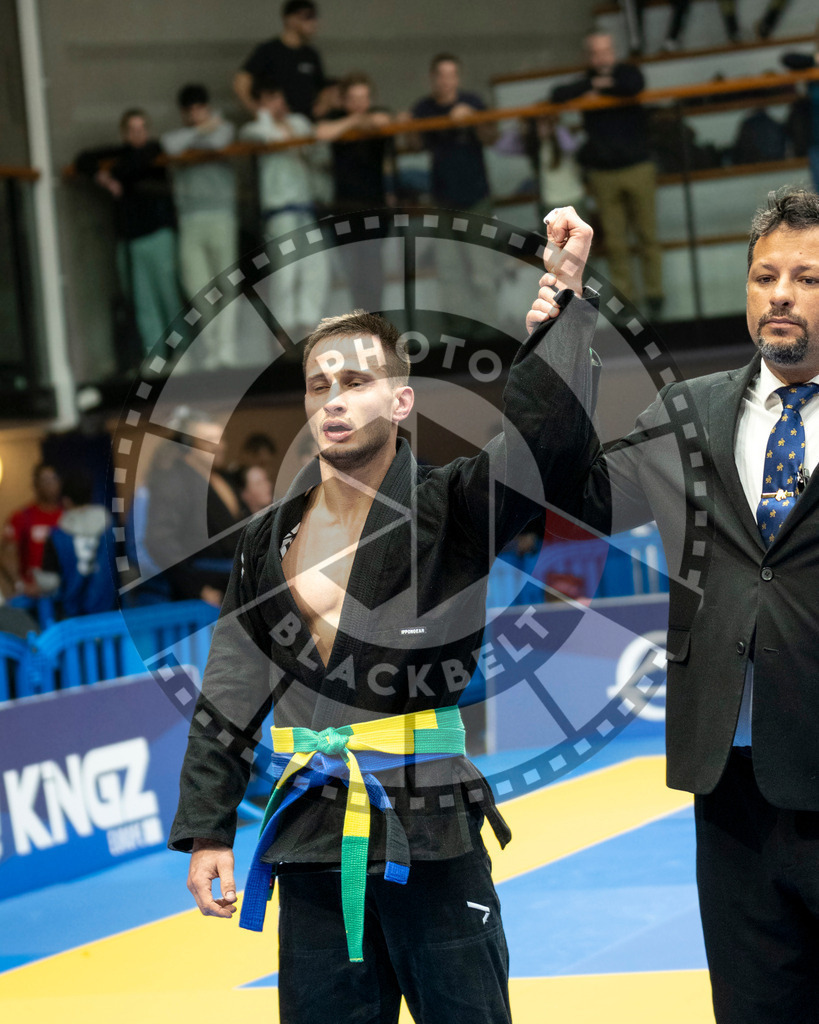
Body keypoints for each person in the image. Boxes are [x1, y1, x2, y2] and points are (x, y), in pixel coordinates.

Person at [168, 204, 598, 1021]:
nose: (333, 400)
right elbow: (230, 685)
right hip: (312, 839)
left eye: (356, 382)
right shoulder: (266, 537)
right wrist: (209, 828)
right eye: (319, 385)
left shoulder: (453, 507)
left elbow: (543, 445)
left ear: (400, 401)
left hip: (430, 831)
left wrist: (563, 310)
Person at [527, 187, 819, 1022]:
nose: (780, 295)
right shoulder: (688, 416)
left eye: (805, 278)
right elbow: (575, 496)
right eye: (764, 276)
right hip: (729, 784)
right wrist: (562, 330)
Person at [552, 32, 663, 320]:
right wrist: (593, 84)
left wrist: (600, 87)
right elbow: (557, 94)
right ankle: (626, 302)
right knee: (615, 242)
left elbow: (634, 85)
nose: (601, 57)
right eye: (595, 52)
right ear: (588, 56)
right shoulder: (584, 81)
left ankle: (655, 296)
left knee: (647, 235)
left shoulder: (627, 73)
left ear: (614, 51)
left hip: (637, 166)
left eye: (606, 51)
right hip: (603, 173)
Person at [75, 109, 183, 355]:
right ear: (124, 134)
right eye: (132, 130)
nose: (138, 134)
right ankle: (155, 356)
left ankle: (182, 352)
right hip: (131, 239)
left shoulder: (154, 150)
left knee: (169, 297)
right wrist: (103, 177)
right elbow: (83, 159)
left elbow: (133, 166)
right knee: (143, 301)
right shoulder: (120, 155)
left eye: (142, 128)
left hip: (158, 235)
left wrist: (114, 174)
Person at [410, 53, 498, 329]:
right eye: (441, 75)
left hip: (476, 196)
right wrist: (409, 123)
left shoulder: (473, 102)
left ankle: (490, 330)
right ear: (432, 78)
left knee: (482, 266)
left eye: (451, 75)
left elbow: (492, 137)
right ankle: (460, 331)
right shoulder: (423, 108)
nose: (446, 81)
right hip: (442, 198)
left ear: (458, 78)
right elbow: (413, 144)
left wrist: (474, 119)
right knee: (449, 269)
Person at [239, 79, 328, 338]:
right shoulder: (254, 129)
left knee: (316, 267)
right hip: (278, 210)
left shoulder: (298, 122)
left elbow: (316, 146)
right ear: (260, 104)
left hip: (304, 205)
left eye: (278, 97)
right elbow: (266, 136)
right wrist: (264, 116)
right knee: (285, 272)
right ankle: (284, 329)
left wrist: (290, 130)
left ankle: (309, 323)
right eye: (269, 99)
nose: (277, 103)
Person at [161, 84, 239, 367]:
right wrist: (202, 130)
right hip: (189, 218)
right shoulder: (179, 136)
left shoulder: (224, 128)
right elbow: (170, 145)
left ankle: (226, 349)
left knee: (227, 285)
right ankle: (212, 347)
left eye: (199, 108)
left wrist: (201, 135)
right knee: (197, 287)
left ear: (207, 107)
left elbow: (218, 142)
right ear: (183, 113)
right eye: (190, 110)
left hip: (221, 214)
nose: (195, 114)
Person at [144, 408, 242, 607]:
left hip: (232, 585)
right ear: (188, 445)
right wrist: (198, 588)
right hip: (203, 593)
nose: (219, 446)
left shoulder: (223, 479)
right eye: (209, 441)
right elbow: (160, 542)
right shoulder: (173, 482)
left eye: (220, 439)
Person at [316, 72, 395, 311]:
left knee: (372, 268)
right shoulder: (336, 118)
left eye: (364, 98)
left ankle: (376, 321)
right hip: (344, 208)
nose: (360, 103)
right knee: (353, 272)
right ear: (344, 101)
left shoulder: (379, 114)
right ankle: (362, 321)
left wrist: (360, 121)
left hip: (374, 206)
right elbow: (321, 132)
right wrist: (354, 121)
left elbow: (385, 120)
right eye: (354, 98)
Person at [34, 472, 116, 618]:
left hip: (73, 615)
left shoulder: (57, 536)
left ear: (66, 500)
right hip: (109, 611)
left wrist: (37, 578)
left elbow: (50, 582)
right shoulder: (110, 528)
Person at [234, 0, 333, 118]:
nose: (313, 22)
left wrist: (322, 106)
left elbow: (322, 87)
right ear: (289, 19)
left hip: (305, 122)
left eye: (315, 17)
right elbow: (241, 81)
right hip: (277, 122)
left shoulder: (311, 54)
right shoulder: (269, 50)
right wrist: (256, 111)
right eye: (307, 17)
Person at [1, 463, 62, 597]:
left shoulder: (68, 517)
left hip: (63, 593)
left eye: (53, 479)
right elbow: (5, 554)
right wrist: (20, 585)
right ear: (35, 484)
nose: (49, 484)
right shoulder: (22, 517)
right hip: (32, 594)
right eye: (44, 480)